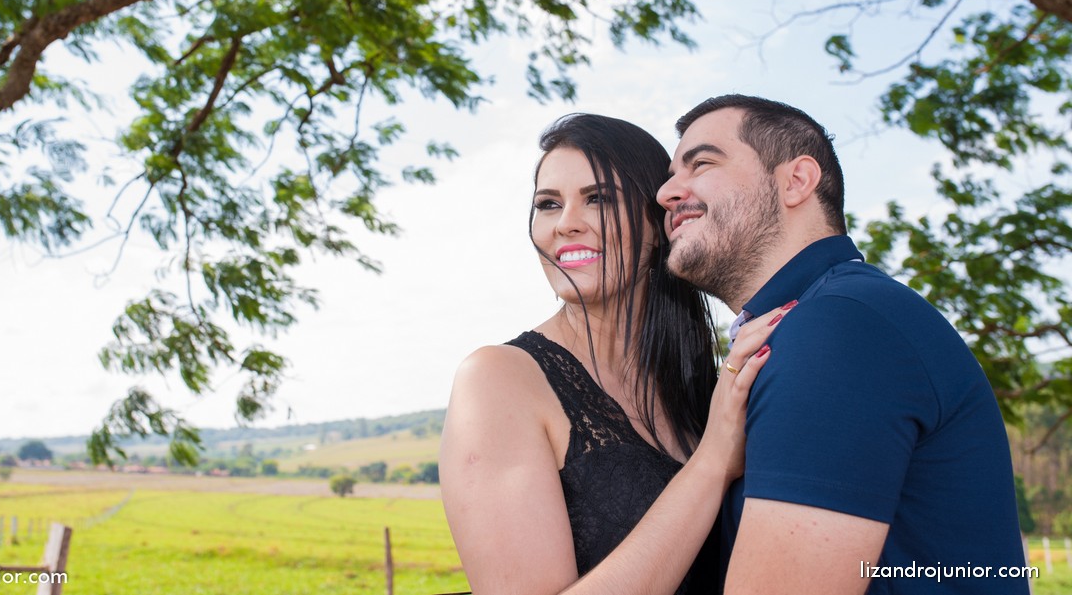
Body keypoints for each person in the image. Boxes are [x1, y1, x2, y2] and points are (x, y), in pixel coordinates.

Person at [657, 94, 1028, 594]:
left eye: (700, 163)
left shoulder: (837, 326)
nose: (666, 192)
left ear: (796, 181)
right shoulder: (827, 316)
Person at [440, 113, 785, 595]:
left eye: (598, 198)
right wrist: (711, 464)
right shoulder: (499, 379)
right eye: (548, 204)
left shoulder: (706, 388)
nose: (566, 224)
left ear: (659, 221)